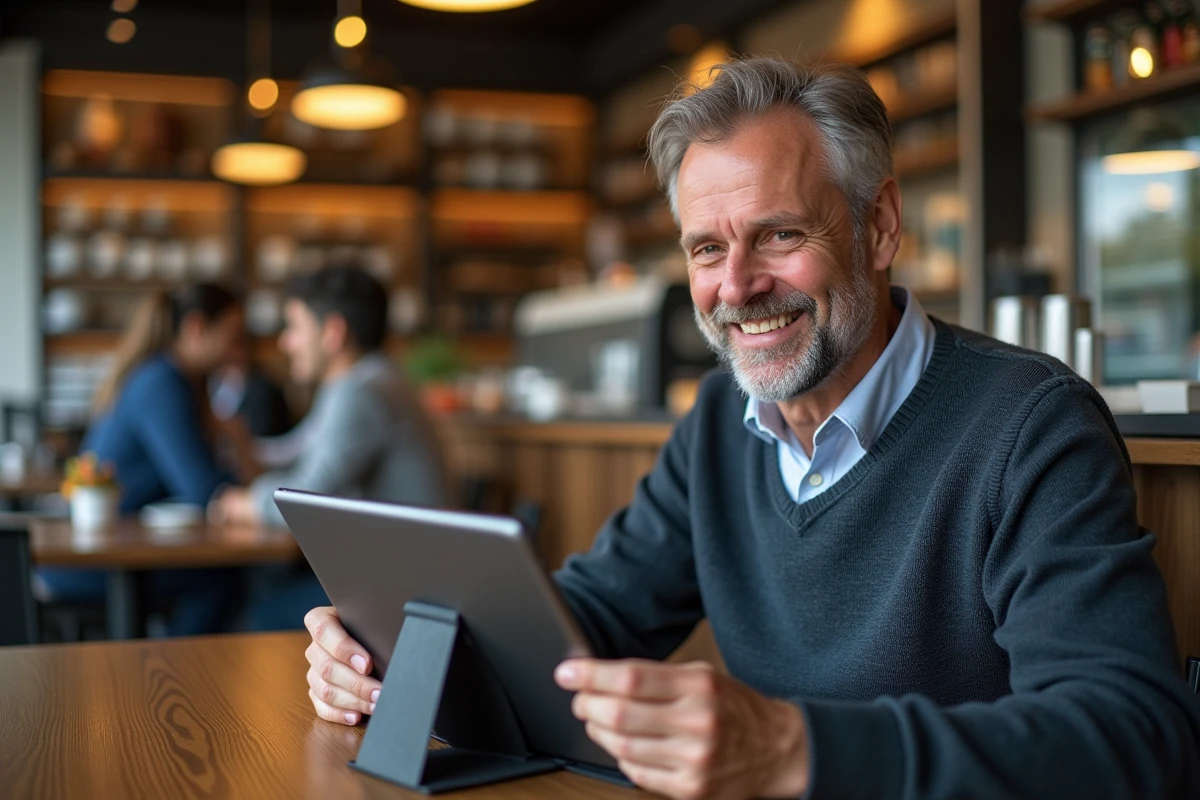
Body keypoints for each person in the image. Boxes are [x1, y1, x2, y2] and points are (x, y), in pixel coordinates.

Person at [298, 58, 1200, 800]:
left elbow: (1132, 735)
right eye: (706, 248)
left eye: (778, 236)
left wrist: (794, 749)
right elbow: (588, 622)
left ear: (879, 226)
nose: (735, 286)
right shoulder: (719, 431)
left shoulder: (1030, 426)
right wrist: (392, 653)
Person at [213, 265, 448, 629]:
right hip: (404, 578)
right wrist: (238, 443)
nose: (285, 342)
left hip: (403, 594)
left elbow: (307, 497)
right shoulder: (366, 378)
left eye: (295, 327)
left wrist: (243, 503)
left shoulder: (359, 391)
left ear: (333, 332)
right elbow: (296, 452)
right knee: (259, 587)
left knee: (252, 606)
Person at [39, 284, 250, 636]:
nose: (239, 348)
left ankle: (168, 661)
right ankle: (173, 667)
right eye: (233, 335)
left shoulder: (167, 378)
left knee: (222, 576)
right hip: (93, 560)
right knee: (221, 579)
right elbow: (203, 489)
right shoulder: (162, 382)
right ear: (197, 328)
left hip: (111, 548)